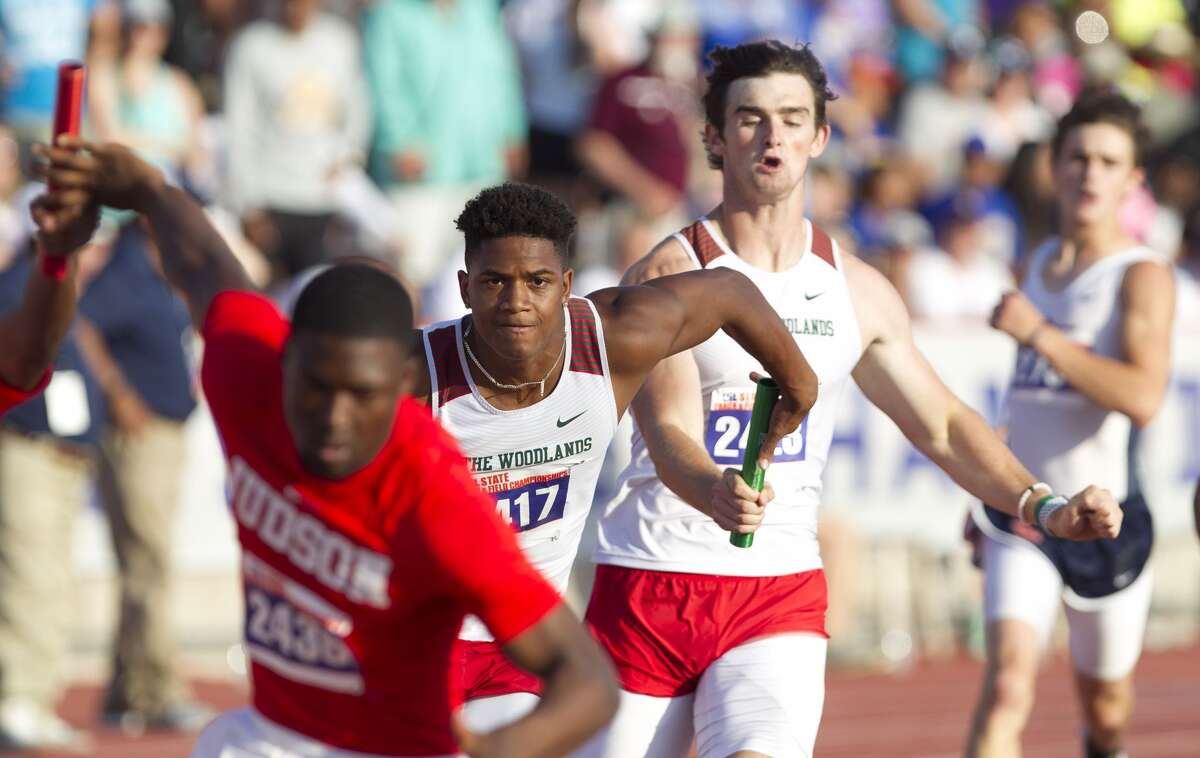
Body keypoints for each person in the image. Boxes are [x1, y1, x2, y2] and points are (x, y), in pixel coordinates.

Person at [577, 40, 1124, 758]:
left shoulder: (854, 289)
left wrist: (1043, 507)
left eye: (792, 119)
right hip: (652, 586)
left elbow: (945, 425)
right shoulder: (667, 275)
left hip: (776, 597)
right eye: (749, 118)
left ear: (820, 138)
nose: (772, 137)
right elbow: (670, 432)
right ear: (713, 137)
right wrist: (714, 489)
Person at [36, 137, 620, 758]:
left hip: (390, 749)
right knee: (221, 741)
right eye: (316, 387)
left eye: (362, 395)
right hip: (274, 738)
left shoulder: (434, 497)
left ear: (401, 386)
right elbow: (204, 263)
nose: (335, 418)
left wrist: (497, 751)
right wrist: (148, 190)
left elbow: (588, 682)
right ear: (284, 363)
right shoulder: (246, 376)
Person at [417, 182, 818, 732]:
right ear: (465, 287)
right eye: (493, 282)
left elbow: (729, 290)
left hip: (526, 644)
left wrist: (800, 387)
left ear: (566, 285)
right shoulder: (416, 379)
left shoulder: (613, 340)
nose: (515, 304)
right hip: (422, 640)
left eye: (536, 282)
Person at [965, 89, 1175, 758]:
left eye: (1109, 161)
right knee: (1007, 687)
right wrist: (984, 490)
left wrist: (1044, 336)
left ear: (1132, 179)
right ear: (1053, 167)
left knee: (1107, 712)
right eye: (1078, 158)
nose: (1090, 174)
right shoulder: (1035, 263)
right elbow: (1021, 402)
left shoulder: (1139, 276)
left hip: (1106, 519)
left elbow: (1143, 396)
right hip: (1025, 511)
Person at [76, 222, 213, 733]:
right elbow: (81, 324)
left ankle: (124, 688)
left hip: (161, 432)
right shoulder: (129, 267)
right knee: (147, 559)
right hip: (139, 436)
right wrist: (118, 393)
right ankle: (158, 690)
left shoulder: (154, 272)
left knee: (143, 560)